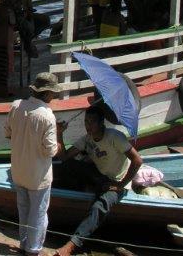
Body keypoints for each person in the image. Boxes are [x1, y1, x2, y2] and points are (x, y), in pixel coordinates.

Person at [54, 105, 143, 256]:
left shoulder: (115, 137)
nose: (88, 125)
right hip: (100, 176)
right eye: (86, 121)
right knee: (67, 165)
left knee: (99, 206)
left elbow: (137, 160)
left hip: (116, 182)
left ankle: (72, 245)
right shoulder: (87, 139)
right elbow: (63, 157)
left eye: (92, 122)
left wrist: (120, 185)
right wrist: (59, 134)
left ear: (101, 123)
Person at [4, 73, 65, 256]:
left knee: (23, 210)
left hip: (19, 169)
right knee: (38, 214)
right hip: (38, 175)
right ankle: (33, 249)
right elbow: (50, 151)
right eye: (53, 94)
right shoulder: (47, 116)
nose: (53, 97)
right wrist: (60, 137)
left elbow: (7, 133)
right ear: (47, 94)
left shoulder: (16, 106)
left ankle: (24, 245)